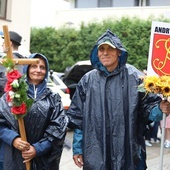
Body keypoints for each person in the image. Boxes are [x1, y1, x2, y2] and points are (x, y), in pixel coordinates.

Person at [67, 30, 170, 170]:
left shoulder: (135, 77)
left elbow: (148, 109)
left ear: (119, 52)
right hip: (96, 152)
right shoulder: (87, 81)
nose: (105, 52)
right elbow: (78, 117)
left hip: (129, 151)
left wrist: (160, 109)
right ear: (97, 53)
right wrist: (78, 148)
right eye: (101, 49)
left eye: (110, 48)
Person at [0, 53, 68, 170]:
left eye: (42, 67)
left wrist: (38, 149)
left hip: (42, 159)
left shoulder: (54, 99)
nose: (38, 70)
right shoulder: (12, 95)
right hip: (14, 157)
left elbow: (58, 129)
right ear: (27, 69)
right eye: (34, 66)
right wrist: (13, 139)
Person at [0, 31, 25, 97]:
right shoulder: (24, 59)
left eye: (3, 42)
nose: (2, 45)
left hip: (5, 99)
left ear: (10, 43)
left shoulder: (5, 60)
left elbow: (3, 82)